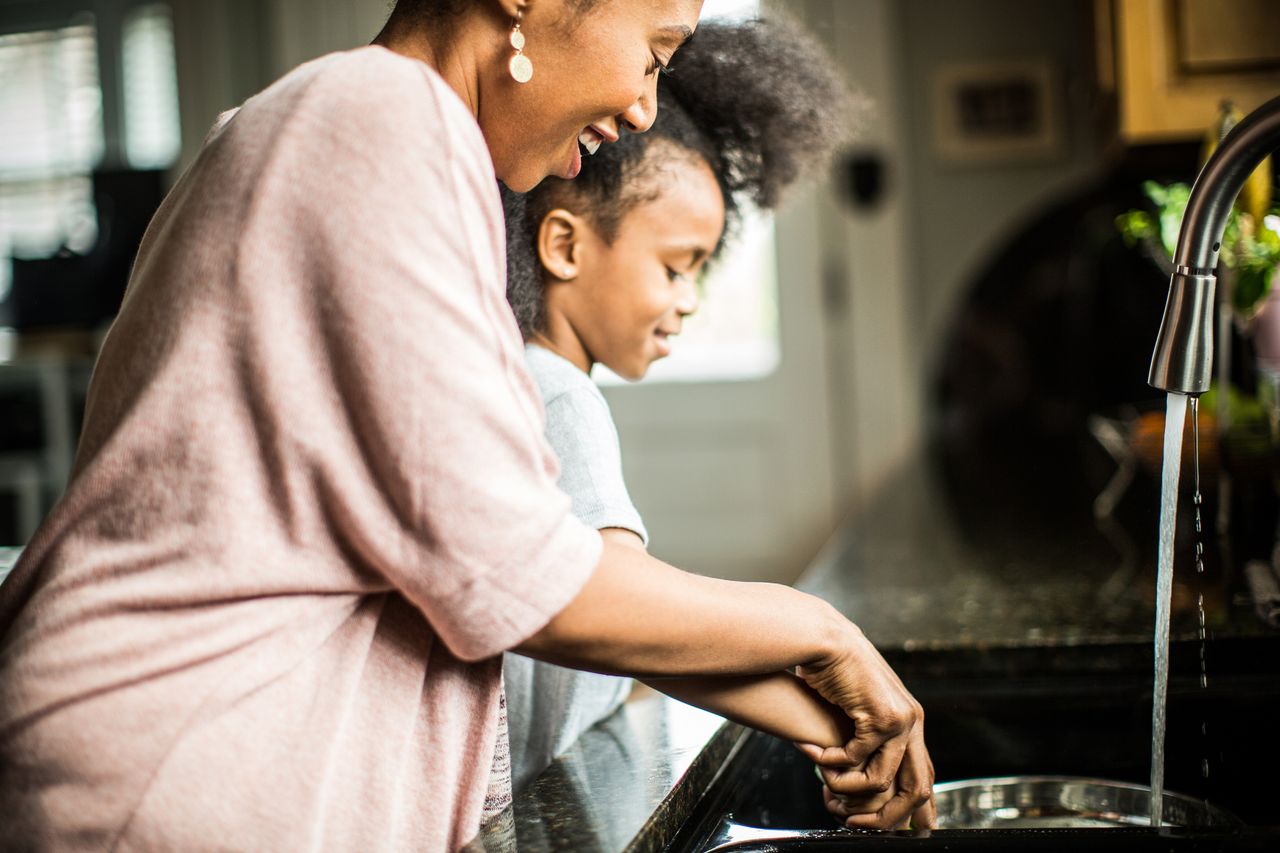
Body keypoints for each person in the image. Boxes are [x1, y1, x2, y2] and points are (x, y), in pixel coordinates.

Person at [0, 1, 933, 849]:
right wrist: (819, 631)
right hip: (170, 780)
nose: (646, 108)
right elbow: (522, 573)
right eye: (652, 55)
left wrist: (823, 716)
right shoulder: (381, 120)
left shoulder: (323, 125)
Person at [499, 16, 876, 803]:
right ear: (563, 245)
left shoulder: (521, 379)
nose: (688, 301)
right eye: (675, 268)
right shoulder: (557, 393)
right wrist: (824, 713)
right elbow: (625, 618)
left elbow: (627, 628)